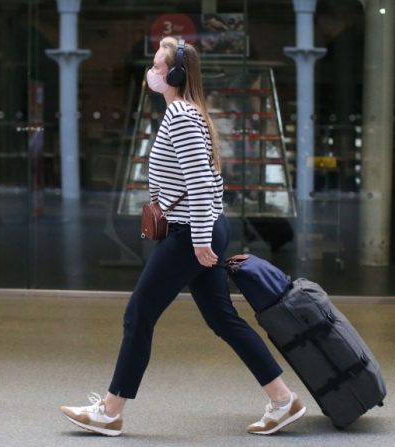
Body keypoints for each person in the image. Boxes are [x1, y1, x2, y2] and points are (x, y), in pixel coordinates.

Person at [59, 36, 306, 437]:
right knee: (224, 320)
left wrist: (201, 241)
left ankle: (110, 411)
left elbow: (202, 183)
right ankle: (283, 400)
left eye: (158, 67)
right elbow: (206, 181)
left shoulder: (181, 117)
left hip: (190, 232)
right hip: (196, 228)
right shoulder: (187, 113)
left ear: (174, 74)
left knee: (138, 315)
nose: (152, 73)